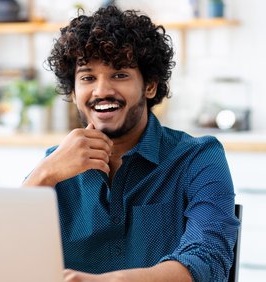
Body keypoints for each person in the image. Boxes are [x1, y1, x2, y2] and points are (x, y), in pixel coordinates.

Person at [23, 5, 239, 282]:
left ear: (149, 86)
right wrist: (42, 174)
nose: (101, 91)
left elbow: (208, 258)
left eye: (120, 75)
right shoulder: (53, 165)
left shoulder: (198, 158)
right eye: (88, 77)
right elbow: (5, 257)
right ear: (74, 91)